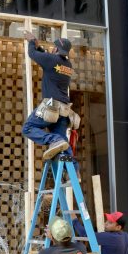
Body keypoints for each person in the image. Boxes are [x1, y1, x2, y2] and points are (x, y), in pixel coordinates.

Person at [21, 31, 81, 161]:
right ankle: (73, 173)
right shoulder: (67, 65)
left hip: (51, 107)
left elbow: (32, 54)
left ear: (55, 49)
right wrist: (39, 47)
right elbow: (47, 57)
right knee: (63, 144)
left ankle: (54, 139)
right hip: (64, 110)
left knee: (28, 128)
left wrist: (32, 42)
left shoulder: (51, 60)